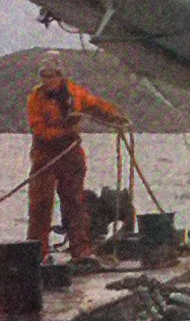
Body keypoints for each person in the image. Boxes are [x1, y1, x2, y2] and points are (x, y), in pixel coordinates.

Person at [26, 53, 128, 267]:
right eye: (44, 76)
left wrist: (115, 117)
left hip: (70, 154)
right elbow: (39, 129)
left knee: (74, 202)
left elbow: (96, 106)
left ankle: (81, 250)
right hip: (45, 155)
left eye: (51, 76)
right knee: (40, 204)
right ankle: (37, 252)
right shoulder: (35, 98)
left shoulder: (75, 93)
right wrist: (65, 130)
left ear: (60, 75)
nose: (48, 80)